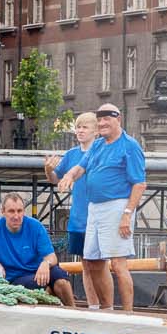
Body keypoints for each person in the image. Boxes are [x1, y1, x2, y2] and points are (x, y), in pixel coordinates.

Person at [57, 103, 146, 312]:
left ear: (118, 120)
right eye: (100, 119)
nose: (103, 122)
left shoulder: (129, 145)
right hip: (94, 207)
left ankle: (128, 312)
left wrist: (127, 214)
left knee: (117, 263)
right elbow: (81, 167)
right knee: (92, 259)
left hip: (117, 206)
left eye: (107, 118)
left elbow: (139, 183)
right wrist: (69, 176)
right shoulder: (97, 145)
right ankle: (106, 308)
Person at [0, 193, 74, 306]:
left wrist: (46, 263)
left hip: (40, 272)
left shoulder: (36, 226)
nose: (16, 216)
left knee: (61, 278)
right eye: (11, 211)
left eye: (19, 211)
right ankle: (51, 298)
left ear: (24, 211)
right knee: (43, 286)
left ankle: (74, 313)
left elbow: (52, 257)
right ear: (3, 212)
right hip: (16, 279)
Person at [45, 111, 98, 304]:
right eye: (78, 127)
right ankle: (93, 305)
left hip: (98, 216)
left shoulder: (100, 152)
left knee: (99, 264)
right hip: (78, 219)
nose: (80, 131)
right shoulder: (71, 154)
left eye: (85, 127)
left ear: (95, 131)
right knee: (86, 264)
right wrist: (48, 168)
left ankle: (104, 305)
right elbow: (54, 179)